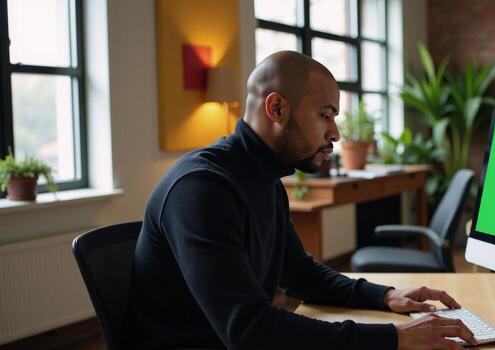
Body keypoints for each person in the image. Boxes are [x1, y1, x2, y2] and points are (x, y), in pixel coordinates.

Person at [123, 51, 476, 350]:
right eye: (325, 115)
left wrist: (385, 296)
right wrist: (393, 337)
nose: (335, 133)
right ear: (276, 108)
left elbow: (301, 275)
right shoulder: (202, 188)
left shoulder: (264, 179)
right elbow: (249, 331)